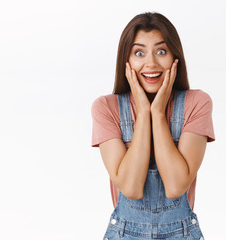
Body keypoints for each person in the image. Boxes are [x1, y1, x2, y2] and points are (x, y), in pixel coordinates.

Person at [91, 12, 215, 240]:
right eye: (139, 53)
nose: (151, 63)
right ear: (125, 61)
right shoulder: (106, 108)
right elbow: (131, 187)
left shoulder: (197, 103)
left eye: (161, 51)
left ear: (174, 56)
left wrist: (157, 113)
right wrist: (143, 110)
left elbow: (176, 186)